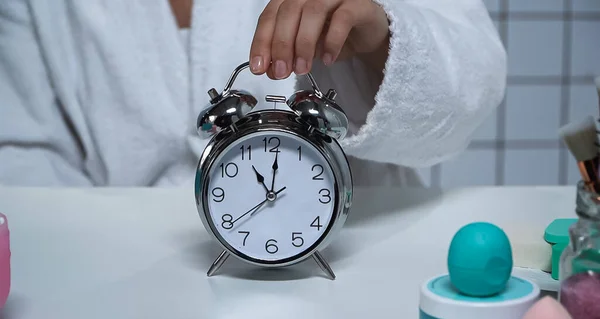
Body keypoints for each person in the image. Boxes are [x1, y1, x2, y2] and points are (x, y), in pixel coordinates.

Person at [0, 0, 506, 187]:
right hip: (123, 287)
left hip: (356, 260)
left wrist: (385, 39)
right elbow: (22, 150)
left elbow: (474, 77)